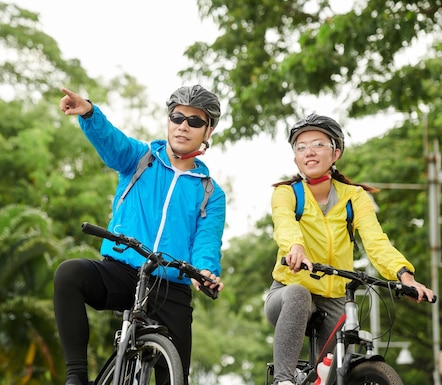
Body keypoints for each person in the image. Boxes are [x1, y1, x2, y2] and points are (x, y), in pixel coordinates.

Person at [54, 85, 226, 385]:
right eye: (177, 117)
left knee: (175, 378)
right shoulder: (140, 159)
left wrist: (205, 270)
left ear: (208, 131)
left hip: (171, 286)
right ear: (168, 120)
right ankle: (76, 377)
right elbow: (112, 142)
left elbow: (207, 240)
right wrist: (89, 113)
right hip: (122, 270)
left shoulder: (211, 191)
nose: (183, 126)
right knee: (69, 274)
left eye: (195, 121)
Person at [264, 113, 435, 385]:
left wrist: (404, 276)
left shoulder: (354, 197)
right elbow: (285, 225)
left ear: (336, 153)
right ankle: (284, 380)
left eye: (319, 144)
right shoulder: (287, 193)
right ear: (295, 158)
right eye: (301, 147)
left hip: (335, 296)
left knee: (336, 372)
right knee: (298, 293)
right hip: (287, 295)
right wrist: (296, 248)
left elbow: (376, 240)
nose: (309, 152)